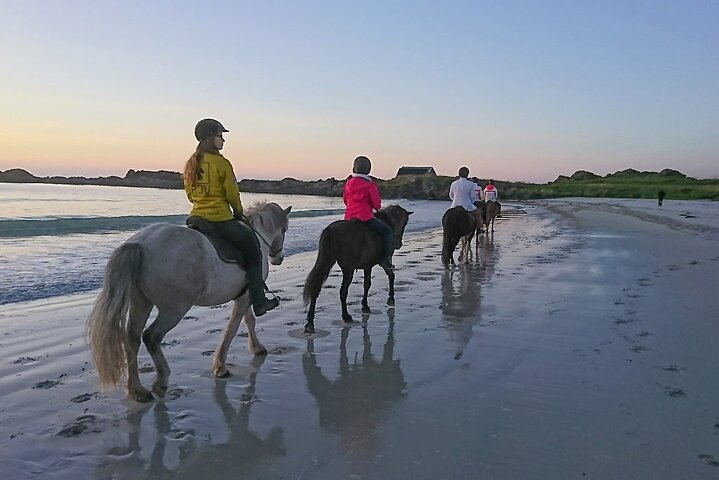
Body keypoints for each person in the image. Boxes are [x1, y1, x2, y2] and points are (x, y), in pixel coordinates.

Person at [183, 118, 279, 317]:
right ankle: (259, 302)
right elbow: (232, 194)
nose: (223, 141)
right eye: (220, 136)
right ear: (210, 138)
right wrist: (238, 212)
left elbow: (190, 195)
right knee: (253, 249)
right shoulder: (222, 163)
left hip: (196, 218)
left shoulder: (191, 164)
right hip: (219, 220)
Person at [343, 156, 394, 270]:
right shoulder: (370, 185)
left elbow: (345, 201)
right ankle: (385, 259)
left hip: (348, 218)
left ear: (353, 168)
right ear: (369, 170)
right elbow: (377, 205)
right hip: (365, 218)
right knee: (388, 232)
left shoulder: (348, 183)